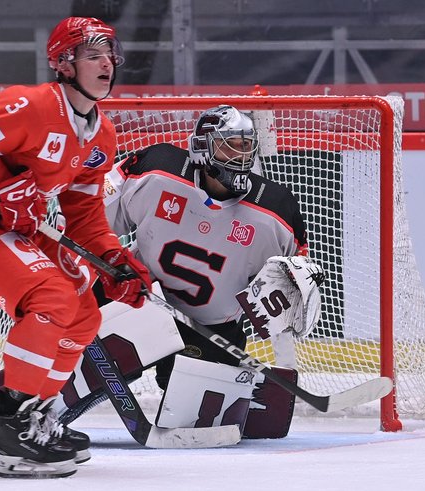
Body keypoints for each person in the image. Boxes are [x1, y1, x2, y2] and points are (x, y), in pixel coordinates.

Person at [0, 16, 151, 479]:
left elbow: (84, 212)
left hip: (15, 226)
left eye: (109, 54)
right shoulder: (28, 104)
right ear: (64, 64)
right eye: (92, 55)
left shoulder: (100, 137)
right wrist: (4, 185)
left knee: (84, 311)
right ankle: (16, 427)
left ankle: (41, 417)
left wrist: (112, 259)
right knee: (49, 295)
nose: (106, 63)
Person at [98, 105, 309, 437]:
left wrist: (288, 300)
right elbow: (92, 224)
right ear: (201, 148)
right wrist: (117, 264)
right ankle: (29, 403)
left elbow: (286, 291)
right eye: (229, 145)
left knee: (201, 427)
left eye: (245, 145)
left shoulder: (276, 212)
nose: (240, 156)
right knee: (80, 368)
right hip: (139, 303)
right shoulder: (156, 170)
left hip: (210, 329)